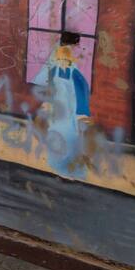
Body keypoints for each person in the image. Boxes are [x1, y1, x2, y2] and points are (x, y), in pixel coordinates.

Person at [44, 31, 91, 178]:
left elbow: (83, 92)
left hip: (70, 113)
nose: (63, 62)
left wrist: (82, 113)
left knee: (70, 140)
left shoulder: (75, 74)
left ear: (70, 60)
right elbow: (50, 90)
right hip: (58, 112)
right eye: (61, 59)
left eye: (65, 60)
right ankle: (56, 165)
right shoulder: (53, 72)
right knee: (55, 138)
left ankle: (70, 169)